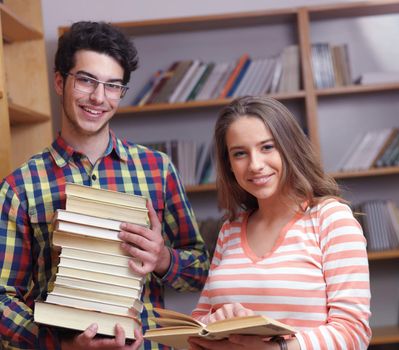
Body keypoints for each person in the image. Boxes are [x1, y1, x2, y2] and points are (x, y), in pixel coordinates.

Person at [0, 21, 209, 350]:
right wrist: (61, 346)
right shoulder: (20, 187)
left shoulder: (158, 170)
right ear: (59, 81)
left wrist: (164, 259)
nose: (98, 98)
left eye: (113, 86)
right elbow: (2, 299)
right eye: (86, 80)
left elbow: (200, 270)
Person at [189, 96, 371, 350]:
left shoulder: (331, 219)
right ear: (229, 165)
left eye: (267, 147)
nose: (255, 165)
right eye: (240, 153)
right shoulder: (229, 230)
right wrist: (215, 320)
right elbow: (198, 323)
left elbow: (353, 334)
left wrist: (277, 349)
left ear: (289, 148)